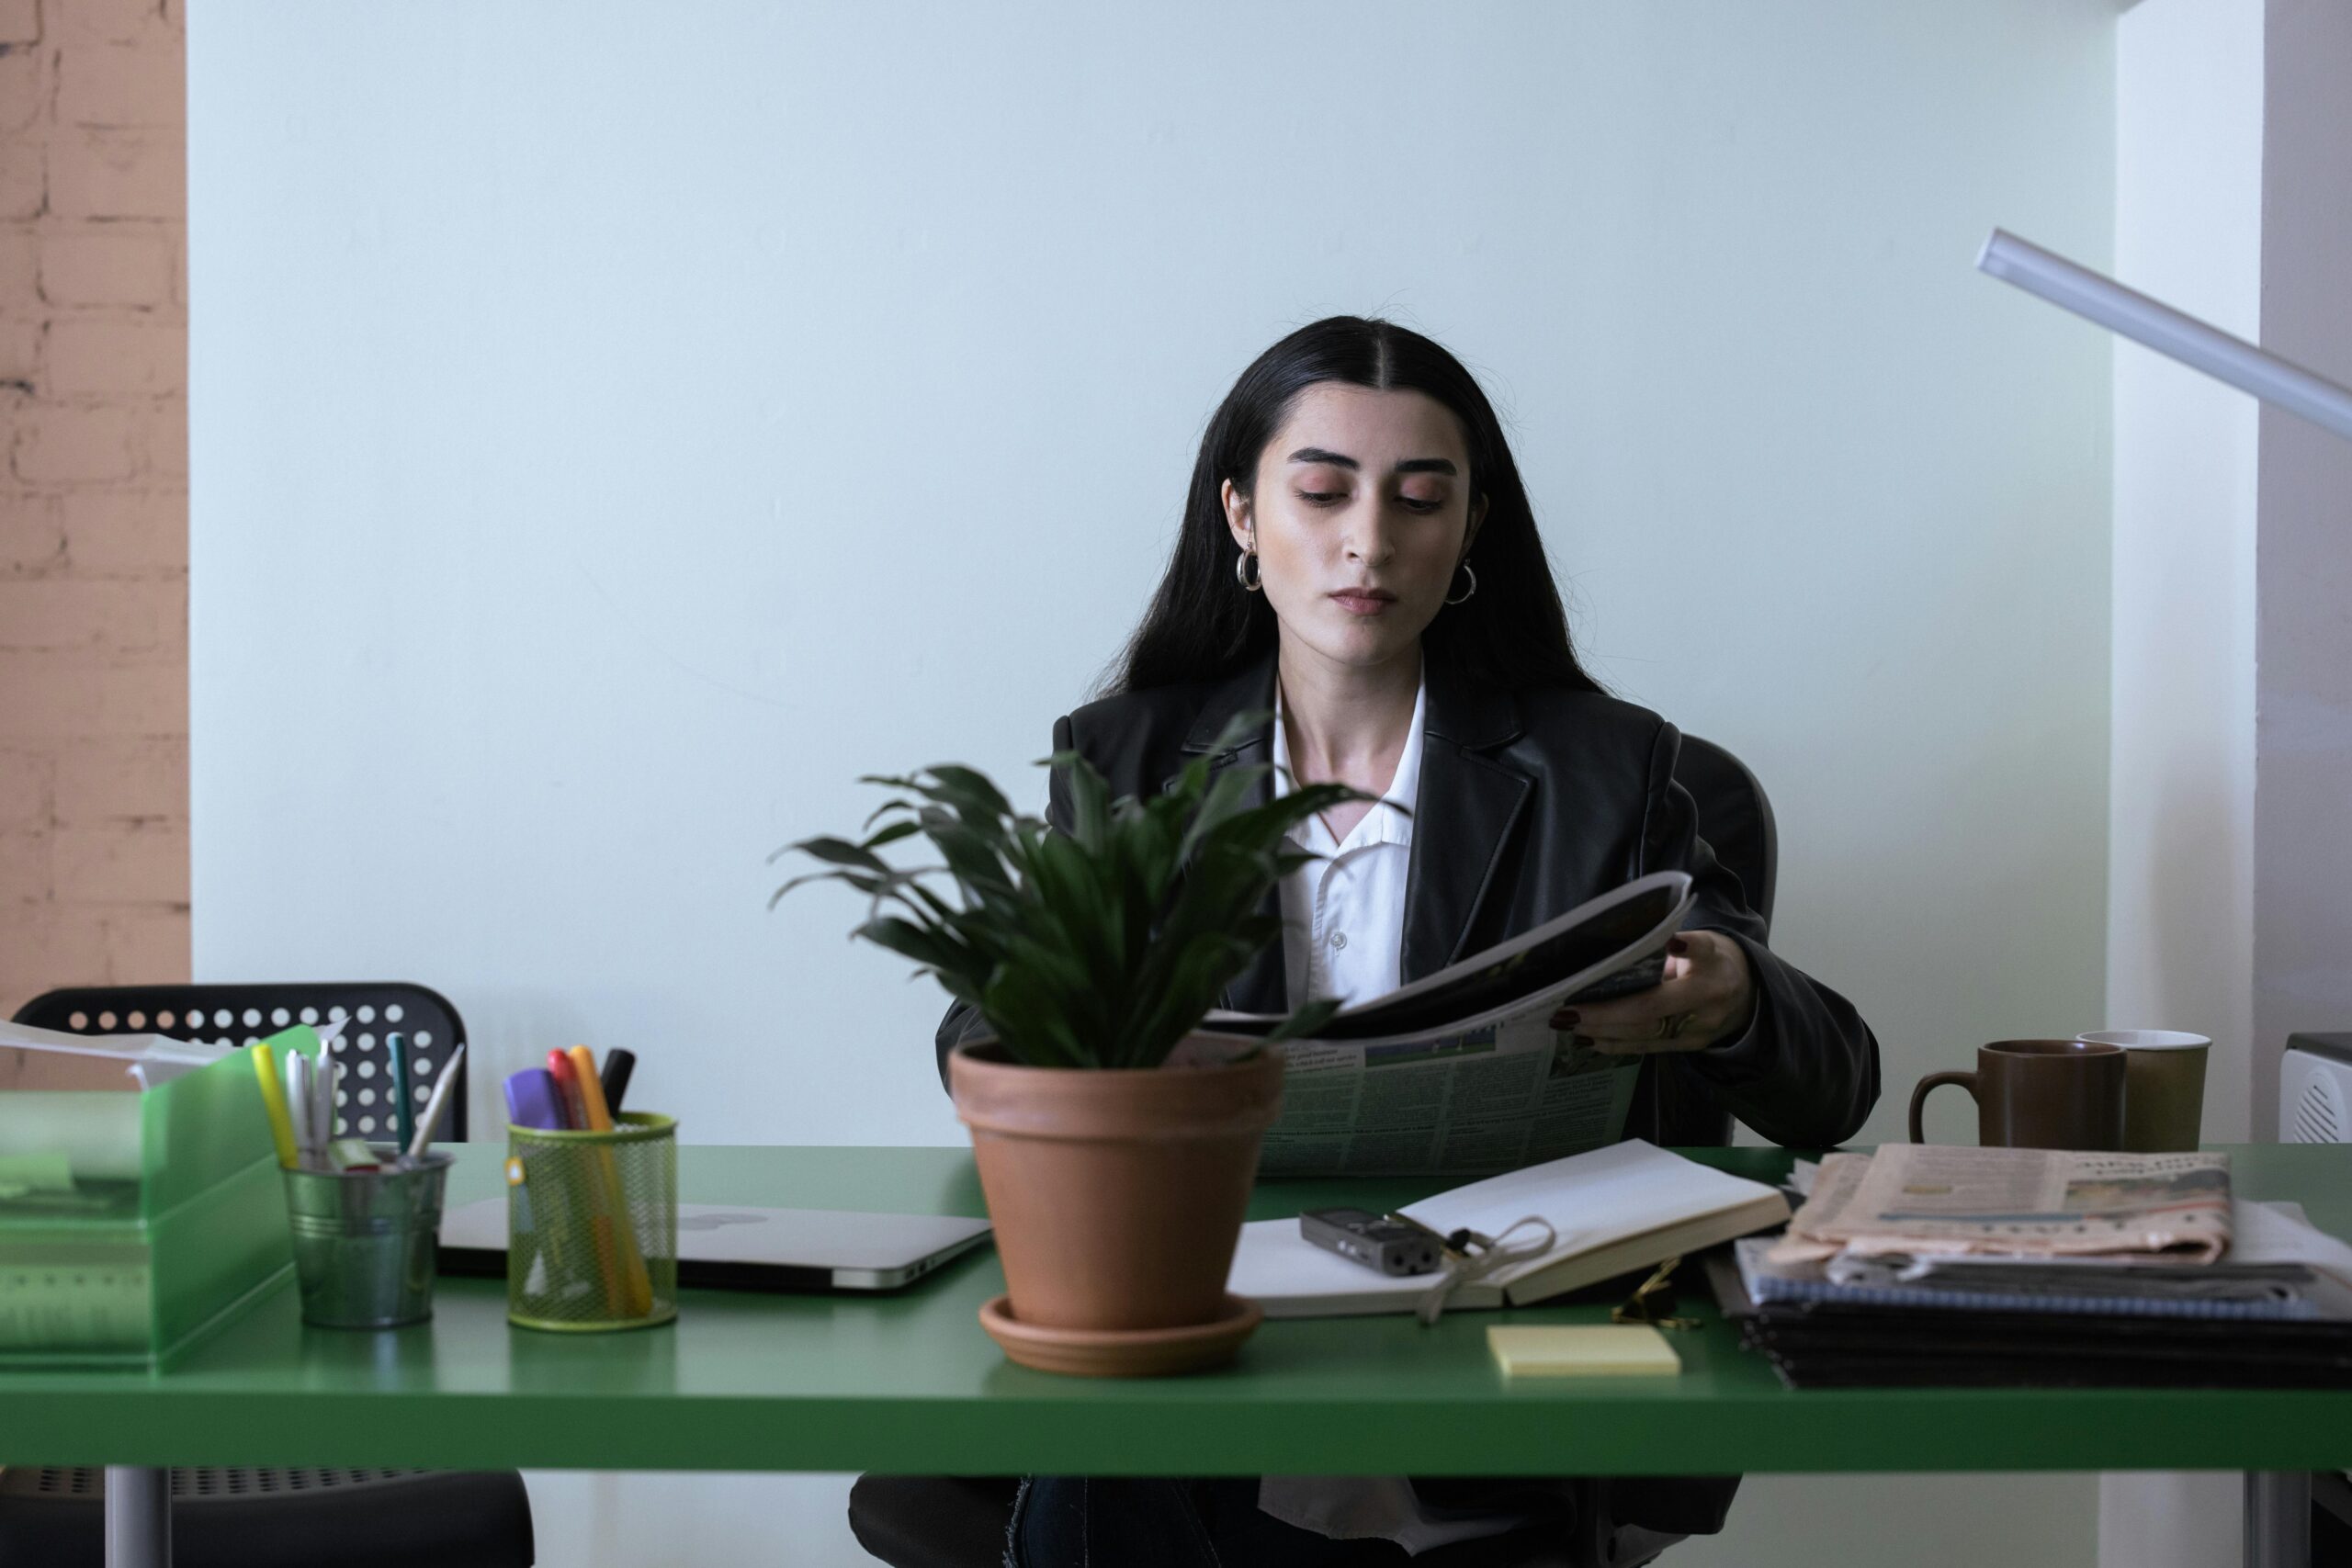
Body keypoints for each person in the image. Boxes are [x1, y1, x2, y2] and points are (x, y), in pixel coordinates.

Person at [850, 315, 1881, 1568]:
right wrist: (1082, 1044)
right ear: (1241, 516)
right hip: (1205, 1330)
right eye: (1323, 490)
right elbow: (980, 1038)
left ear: (1470, 531)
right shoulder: (1122, 760)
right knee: (1111, 1446)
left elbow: (1834, 1088)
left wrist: (1732, 1001)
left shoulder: (1609, 769)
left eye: (1419, 499)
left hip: (1486, 1361)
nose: (1368, 541)